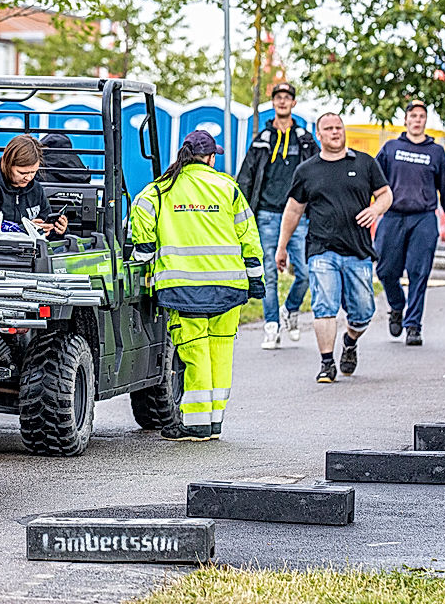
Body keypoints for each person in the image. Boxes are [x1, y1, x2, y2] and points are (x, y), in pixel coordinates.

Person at [130, 130, 264, 442]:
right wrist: (255, 278)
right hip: (229, 286)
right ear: (210, 157)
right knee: (220, 351)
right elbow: (248, 235)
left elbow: (142, 224)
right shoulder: (227, 187)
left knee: (194, 352)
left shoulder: (161, 189)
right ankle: (213, 422)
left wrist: (144, 251)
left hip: (182, 289)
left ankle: (195, 425)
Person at [277, 113, 392, 383]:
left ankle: (350, 340)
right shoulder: (307, 170)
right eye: (328, 129)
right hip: (321, 249)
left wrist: (375, 209)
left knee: (364, 312)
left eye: (338, 127)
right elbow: (294, 210)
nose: (334, 132)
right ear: (319, 135)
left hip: (358, 250)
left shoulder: (364, 163)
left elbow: (386, 194)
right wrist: (282, 247)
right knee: (324, 306)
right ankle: (327, 363)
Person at [237, 81, 319, 350]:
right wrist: (240, 211)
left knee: (306, 273)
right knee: (268, 273)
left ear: (294, 103)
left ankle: (291, 309)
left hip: (299, 217)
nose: (282, 101)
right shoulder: (262, 139)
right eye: (278, 98)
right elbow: (247, 177)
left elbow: (319, 174)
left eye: (287, 97)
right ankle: (271, 326)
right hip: (267, 215)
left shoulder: (305, 139)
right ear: (273, 103)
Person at [373, 101, 445, 346]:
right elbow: (373, 181)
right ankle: (397, 306)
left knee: (419, 273)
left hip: (423, 218)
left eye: (421, 116)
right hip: (392, 216)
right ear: (406, 120)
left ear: (425, 121)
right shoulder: (391, 148)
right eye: (413, 116)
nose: (417, 120)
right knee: (386, 271)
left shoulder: (436, 152)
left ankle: (413, 325)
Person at [0, 135, 68, 237]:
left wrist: (58, 229)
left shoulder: (36, 189)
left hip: (33, 251)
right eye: (22, 173)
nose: (29, 177)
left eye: (33, 172)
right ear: (7, 164)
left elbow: (46, 226)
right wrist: (25, 230)